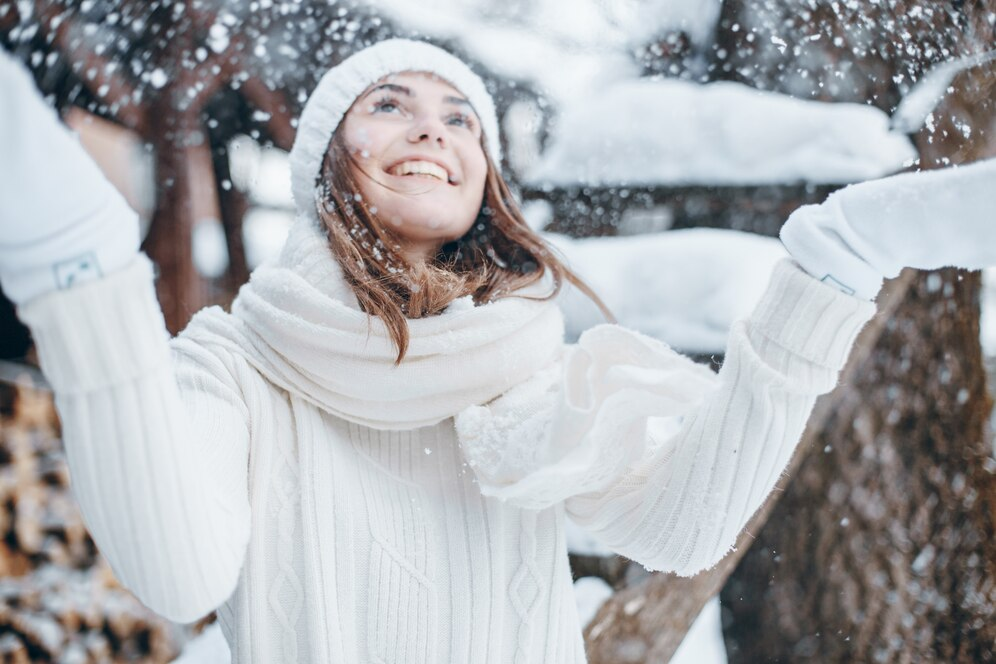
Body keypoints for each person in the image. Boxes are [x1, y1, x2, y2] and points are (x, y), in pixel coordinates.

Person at [1, 38, 994, 664]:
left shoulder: (520, 369)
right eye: (390, 105)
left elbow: (684, 527)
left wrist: (834, 264)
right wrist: (84, 276)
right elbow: (178, 571)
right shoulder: (238, 363)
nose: (432, 130)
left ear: (485, 179)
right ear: (325, 162)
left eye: (460, 119)